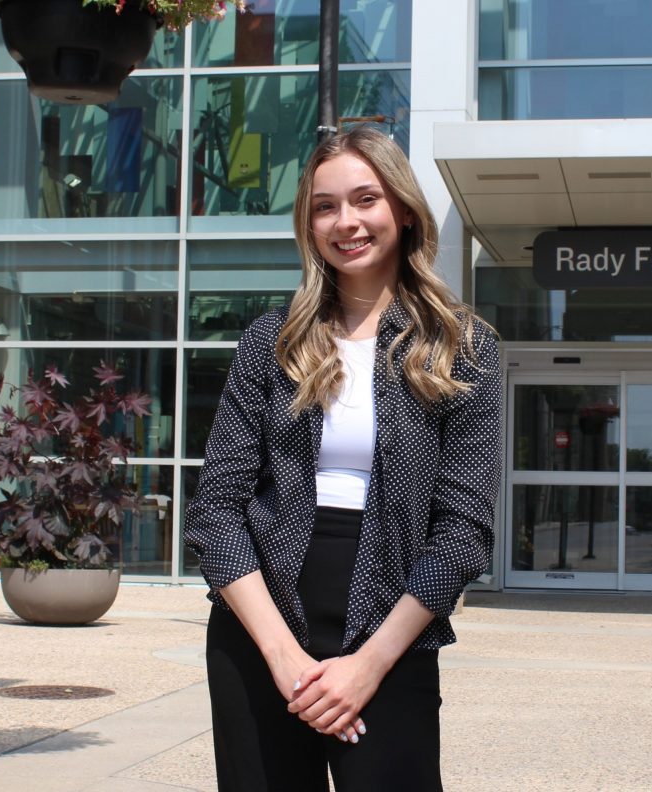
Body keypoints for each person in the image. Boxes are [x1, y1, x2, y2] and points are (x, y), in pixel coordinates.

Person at [184, 125, 502, 791]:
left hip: (393, 627)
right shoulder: (271, 342)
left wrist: (369, 665)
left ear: (404, 211)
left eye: (365, 199)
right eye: (325, 206)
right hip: (258, 627)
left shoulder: (462, 347)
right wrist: (282, 657)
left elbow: (463, 531)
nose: (345, 222)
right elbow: (216, 510)